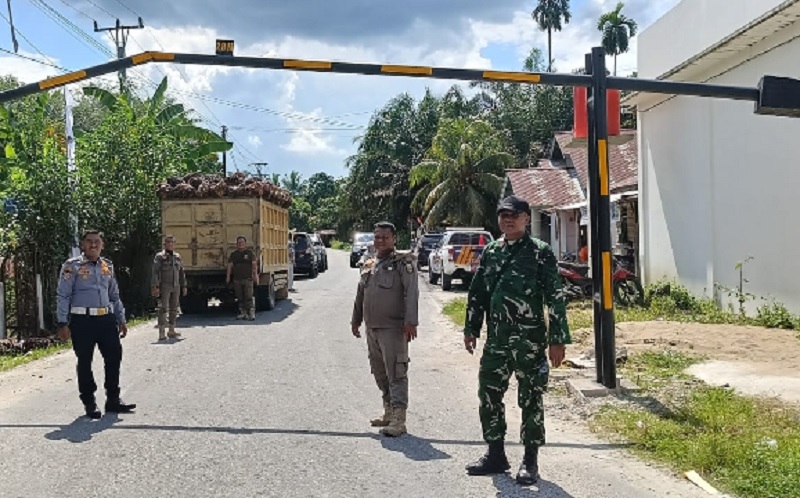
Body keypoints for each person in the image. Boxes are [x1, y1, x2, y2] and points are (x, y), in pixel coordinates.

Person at [463, 195, 571, 485]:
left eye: (514, 214)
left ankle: (530, 460)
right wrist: (471, 328)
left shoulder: (540, 252)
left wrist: (557, 339)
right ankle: (496, 454)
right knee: (489, 394)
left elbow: (555, 297)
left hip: (530, 340)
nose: (507, 219)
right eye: (502, 215)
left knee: (531, 397)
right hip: (497, 340)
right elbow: (479, 292)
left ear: (526, 218)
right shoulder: (492, 251)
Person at [56, 230, 136, 419]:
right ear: (83, 245)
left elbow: (114, 295)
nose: (93, 245)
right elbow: (63, 295)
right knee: (84, 361)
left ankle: (113, 400)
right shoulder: (71, 266)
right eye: (89, 242)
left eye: (97, 242)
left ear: (102, 245)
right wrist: (62, 322)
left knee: (114, 356)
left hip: (106, 319)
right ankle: (89, 402)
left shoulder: (106, 265)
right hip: (82, 320)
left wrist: (121, 319)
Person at [351, 221, 419, 437]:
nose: (380, 240)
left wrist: (411, 322)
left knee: (397, 372)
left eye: (385, 237)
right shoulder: (370, 262)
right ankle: (388, 411)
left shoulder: (403, 263)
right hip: (373, 328)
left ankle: (399, 420)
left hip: (393, 328)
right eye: (377, 236)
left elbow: (412, 293)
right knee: (379, 372)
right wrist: (356, 320)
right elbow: (361, 294)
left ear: (394, 239)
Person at [151, 235, 187, 340]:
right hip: (164, 286)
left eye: (172, 242)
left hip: (176, 286)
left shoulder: (177, 257)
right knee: (163, 308)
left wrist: (184, 285)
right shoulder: (160, 257)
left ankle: (171, 330)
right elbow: (155, 272)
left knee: (174, 308)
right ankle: (162, 331)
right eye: (168, 242)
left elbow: (181, 272)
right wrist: (155, 286)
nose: (170, 244)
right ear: (164, 244)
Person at [227, 236, 258, 320]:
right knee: (240, 297)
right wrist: (228, 277)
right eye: (239, 242)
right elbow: (230, 266)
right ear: (236, 244)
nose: (240, 244)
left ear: (245, 244)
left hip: (248, 279)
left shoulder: (250, 253)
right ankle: (242, 312)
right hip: (237, 279)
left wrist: (255, 277)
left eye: (242, 242)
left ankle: (251, 313)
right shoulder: (234, 254)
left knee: (249, 296)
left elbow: (254, 265)